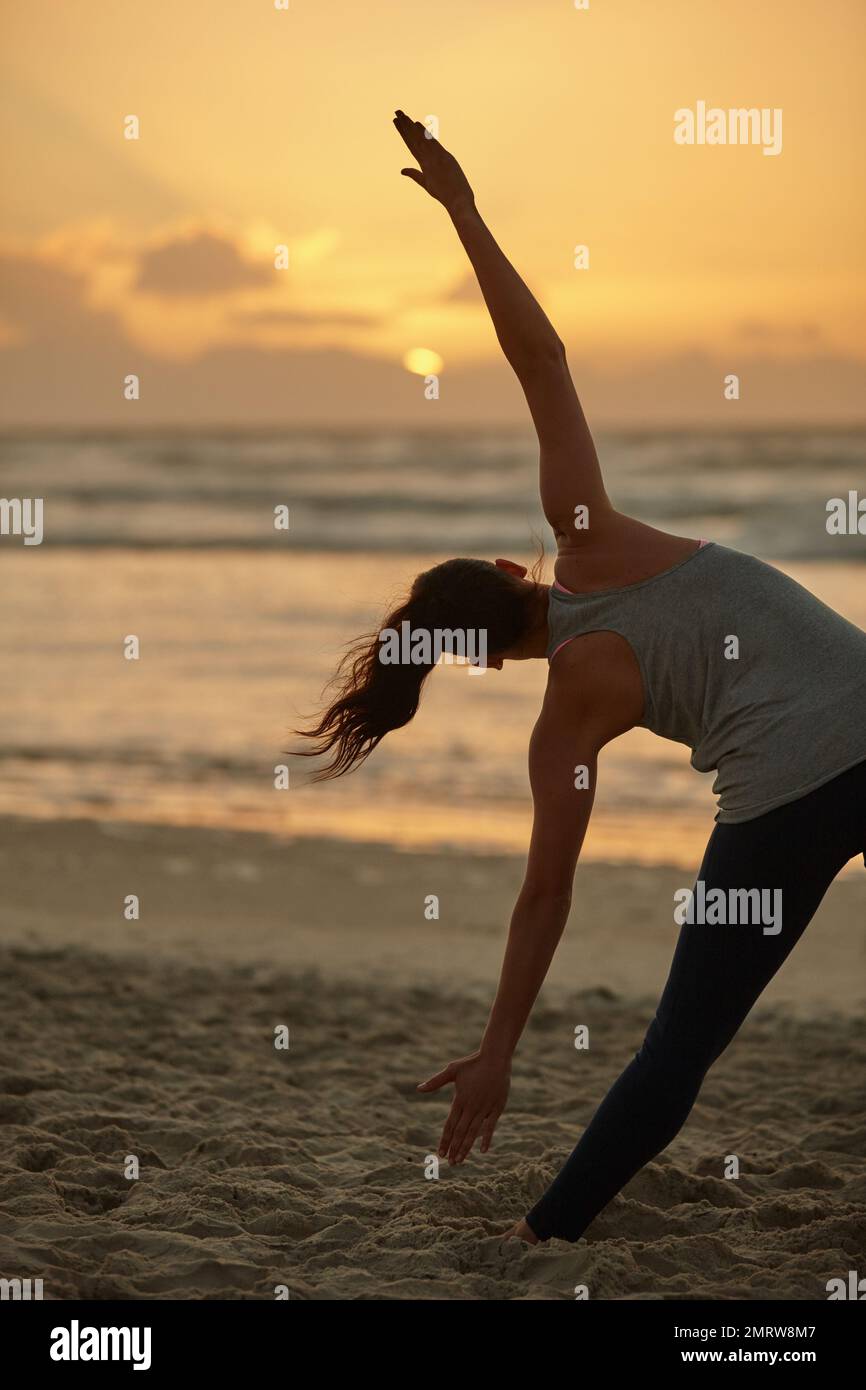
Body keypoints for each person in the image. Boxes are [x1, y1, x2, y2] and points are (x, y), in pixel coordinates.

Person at [297, 112, 866, 1243]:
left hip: (780, 809)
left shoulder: (560, 725)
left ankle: (543, 1234)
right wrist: (463, 209)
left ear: (478, 660)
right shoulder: (585, 533)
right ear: (517, 565)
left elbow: (543, 898)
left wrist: (498, 1052)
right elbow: (539, 359)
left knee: (677, 1049)